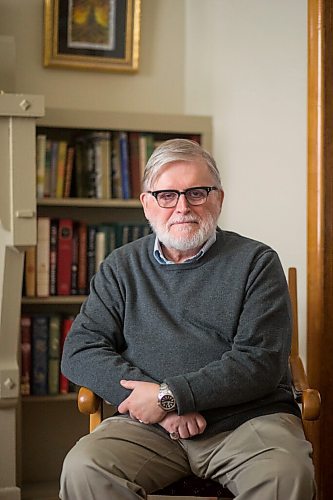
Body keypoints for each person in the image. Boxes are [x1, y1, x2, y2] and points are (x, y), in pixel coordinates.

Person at [60, 138, 315, 499]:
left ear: (219, 199)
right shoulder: (120, 267)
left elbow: (261, 362)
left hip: (246, 424)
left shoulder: (256, 262)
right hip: (145, 428)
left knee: (285, 474)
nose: (182, 207)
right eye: (167, 195)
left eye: (197, 192)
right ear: (147, 204)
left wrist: (170, 396)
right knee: (85, 468)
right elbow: (80, 350)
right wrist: (159, 408)